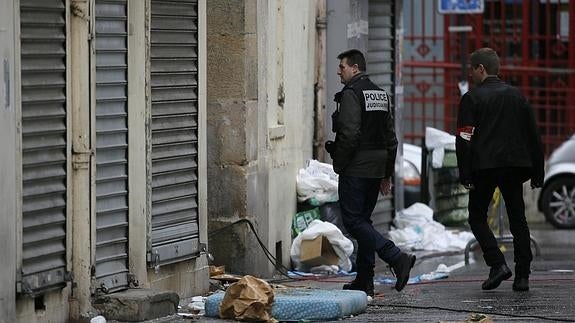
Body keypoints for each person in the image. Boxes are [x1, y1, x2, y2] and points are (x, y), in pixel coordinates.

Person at [325, 49, 415, 297]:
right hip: (376, 168)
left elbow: (350, 134)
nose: (338, 71)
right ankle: (365, 280)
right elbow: (391, 138)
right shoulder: (380, 94)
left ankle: (396, 257)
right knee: (364, 220)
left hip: (357, 167)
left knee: (353, 221)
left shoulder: (352, 94)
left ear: (355, 68)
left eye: (342, 67)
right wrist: (386, 173)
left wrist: (339, 164)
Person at [456, 47, 545, 292]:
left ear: (481, 69)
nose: (471, 74)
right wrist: (538, 171)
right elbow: (533, 136)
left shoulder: (471, 98)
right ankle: (522, 276)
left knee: (476, 216)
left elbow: (464, 138)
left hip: (484, 167)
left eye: (472, 69)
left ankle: (497, 264)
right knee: (519, 220)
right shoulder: (517, 96)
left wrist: (464, 172)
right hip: (515, 167)